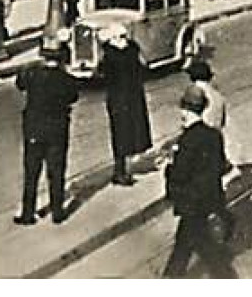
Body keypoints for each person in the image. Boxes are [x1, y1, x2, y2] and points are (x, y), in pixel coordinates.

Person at [161, 85, 236, 278]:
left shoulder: (187, 140)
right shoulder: (213, 135)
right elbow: (220, 165)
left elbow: (180, 175)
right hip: (209, 197)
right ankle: (171, 276)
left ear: (184, 110)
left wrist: (169, 167)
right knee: (186, 243)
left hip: (192, 202)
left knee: (202, 247)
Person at [14, 35, 81, 226]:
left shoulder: (33, 74)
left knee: (31, 172)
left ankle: (28, 213)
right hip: (57, 130)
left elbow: (19, 84)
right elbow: (73, 97)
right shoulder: (66, 79)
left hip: (34, 130)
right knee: (56, 171)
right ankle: (57, 211)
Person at [97, 25, 153, 186]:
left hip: (117, 98)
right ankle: (125, 166)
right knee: (134, 129)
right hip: (134, 96)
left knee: (119, 133)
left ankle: (120, 170)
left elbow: (102, 74)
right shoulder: (133, 49)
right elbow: (144, 66)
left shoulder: (109, 54)